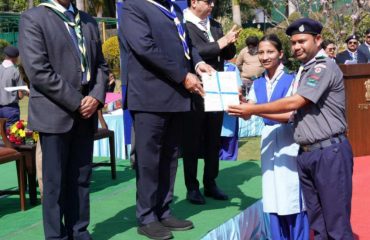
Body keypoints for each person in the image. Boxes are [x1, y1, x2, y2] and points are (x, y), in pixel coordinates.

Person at [228, 18, 354, 239]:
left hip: (329, 153)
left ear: (318, 39)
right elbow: (289, 115)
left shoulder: (323, 67)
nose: (297, 46)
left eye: (302, 41)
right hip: (308, 154)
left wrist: (254, 108)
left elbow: (295, 102)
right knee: (319, 223)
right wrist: (249, 107)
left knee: (336, 224)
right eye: (294, 42)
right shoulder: (303, 71)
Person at [119, 0, 212, 239]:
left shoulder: (175, 9)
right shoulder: (134, 7)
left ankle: (164, 210)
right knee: (149, 159)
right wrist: (183, 75)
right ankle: (147, 216)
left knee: (170, 157)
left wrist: (198, 63)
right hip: (150, 96)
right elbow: (144, 47)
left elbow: (187, 44)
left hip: (176, 96)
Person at [18, 0, 108, 239]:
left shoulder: (87, 21)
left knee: (80, 180)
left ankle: (79, 231)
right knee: (54, 184)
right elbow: (38, 71)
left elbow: (100, 66)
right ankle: (56, 236)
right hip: (54, 114)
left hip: (85, 114)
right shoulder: (33, 18)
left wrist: (97, 97)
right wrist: (78, 101)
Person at [248, 34, 309, 239]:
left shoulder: (293, 78)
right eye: (261, 52)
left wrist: (253, 109)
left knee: (291, 193)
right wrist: (236, 102)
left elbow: (289, 115)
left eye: (270, 52)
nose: (265, 56)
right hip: (268, 140)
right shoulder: (257, 83)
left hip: (289, 140)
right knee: (273, 194)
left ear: (280, 54)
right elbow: (248, 114)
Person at [182, 0, 238, 205]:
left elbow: (228, 55)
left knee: (214, 136)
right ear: (194, 2)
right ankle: (192, 186)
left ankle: (211, 181)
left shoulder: (214, 25)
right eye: (208, 1)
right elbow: (191, 52)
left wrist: (230, 41)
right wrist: (220, 43)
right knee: (192, 139)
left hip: (216, 87)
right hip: (194, 88)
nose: (212, 5)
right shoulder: (183, 24)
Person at [0, 46, 26, 128]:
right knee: (11, 137)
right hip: (11, 109)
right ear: (15, 58)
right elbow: (20, 95)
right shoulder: (16, 71)